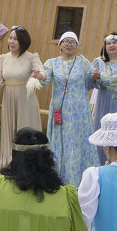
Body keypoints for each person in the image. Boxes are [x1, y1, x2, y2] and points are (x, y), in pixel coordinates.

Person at [41, 31, 95, 186]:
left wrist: (97, 76)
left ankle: (79, 180)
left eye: (73, 42)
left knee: (76, 143)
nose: (69, 44)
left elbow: (95, 77)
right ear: (60, 45)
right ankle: (57, 176)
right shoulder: (52, 63)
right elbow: (45, 78)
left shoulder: (83, 62)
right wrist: (40, 76)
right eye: (66, 41)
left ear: (77, 46)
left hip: (79, 113)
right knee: (59, 142)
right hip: (60, 110)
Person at [0, 27, 43, 169]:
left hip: (26, 100)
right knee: (9, 133)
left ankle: (29, 166)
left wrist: (37, 74)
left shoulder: (32, 57)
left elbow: (43, 73)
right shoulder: (2, 58)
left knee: (26, 132)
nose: (12, 41)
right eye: (10, 38)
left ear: (23, 42)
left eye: (16, 39)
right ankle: (9, 164)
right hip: (9, 100)